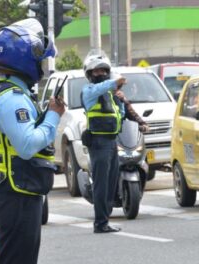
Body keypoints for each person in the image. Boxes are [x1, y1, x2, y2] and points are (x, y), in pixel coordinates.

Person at [0, 18, 65, 264]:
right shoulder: (12, 99)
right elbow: (27, 146)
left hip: (8, 190)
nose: (41, 67)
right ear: (24, 60)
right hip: (17, 193)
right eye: (39, 60)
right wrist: (53, 116)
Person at [81, 53, 126, 233]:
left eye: (104, 70)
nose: (100, 73)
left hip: (112, 141)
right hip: (98, 143)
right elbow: (104, 86)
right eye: (96, 70)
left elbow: (119, 112)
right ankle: (100, 223)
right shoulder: (89, 91)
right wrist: (115, 83)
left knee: (111, 182)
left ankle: (105, 219)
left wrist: (120, 99)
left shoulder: (110, 94)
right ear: (90, 74)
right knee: (101, 184)